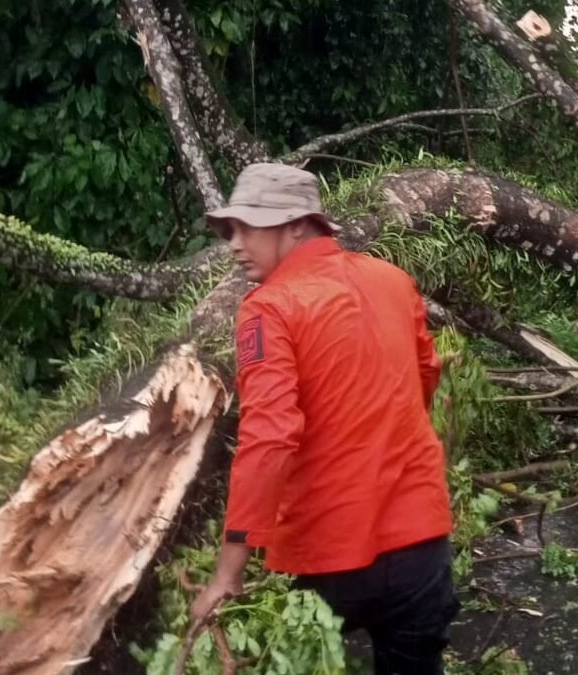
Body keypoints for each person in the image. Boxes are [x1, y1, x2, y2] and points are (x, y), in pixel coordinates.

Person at [190, 163, 458, 673]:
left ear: (296, 225)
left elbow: (268, 438)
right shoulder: (394, 281)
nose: (235, 244)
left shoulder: (269, 308)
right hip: (420, 544)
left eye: (248, 226)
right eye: (230, 230)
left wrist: (228, 572)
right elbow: (425, 375)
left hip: (330, 552)